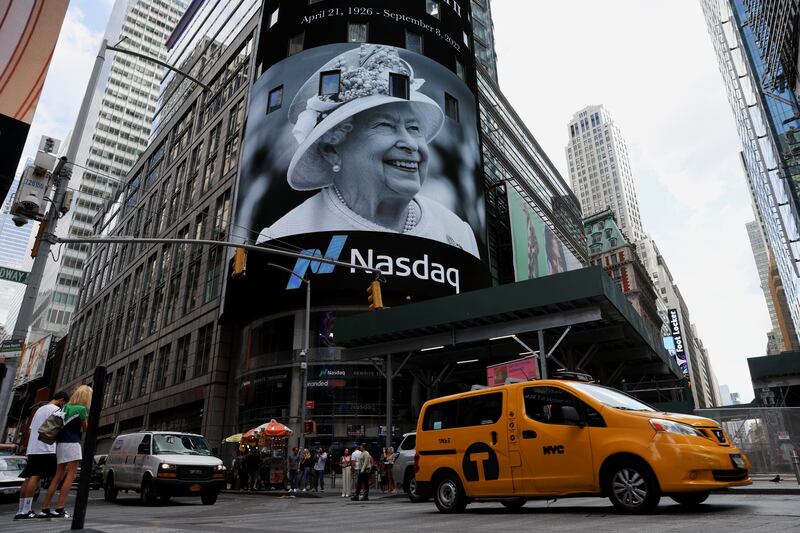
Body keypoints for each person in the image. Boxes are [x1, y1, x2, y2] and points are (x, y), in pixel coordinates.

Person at [257, 44, 479, 258]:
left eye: (414, 128)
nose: (410, 144)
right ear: (330, 149)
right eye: (384, 125)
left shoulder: (458, 232)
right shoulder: (284, 237)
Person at [13, 391, 68, 520]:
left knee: (28, 478)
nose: (63, 406)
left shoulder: (39, 410)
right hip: (45, 448)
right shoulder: (56, 411)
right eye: (64, 403)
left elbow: (31, 429)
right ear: (61, 400)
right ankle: (26, 510)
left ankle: (22, 509)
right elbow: (61, 429)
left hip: (33, 448)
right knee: (35, 477)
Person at [40, 385, 92, 519]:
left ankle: (45, 508)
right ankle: (59, 508)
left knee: (58, 476)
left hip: (60, 443)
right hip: (72, 443)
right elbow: (86, 429)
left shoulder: (65, 407)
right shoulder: (82, 409)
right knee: (71, 475)